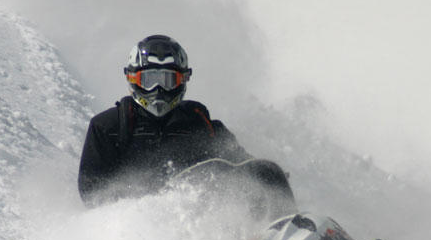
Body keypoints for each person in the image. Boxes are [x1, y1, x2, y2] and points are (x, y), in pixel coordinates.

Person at [77, 34, 292, 207]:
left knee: (268, 172)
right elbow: (92, 193)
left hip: (210, 216)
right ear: (133, 79)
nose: (159, 90)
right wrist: (143, 203)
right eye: (149, 80)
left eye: (169, 80)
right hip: (145, 232)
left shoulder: (197, 120)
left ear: (183, 80)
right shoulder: (108, 127)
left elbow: (239, 161)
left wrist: (263, 176)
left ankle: (287, 234)